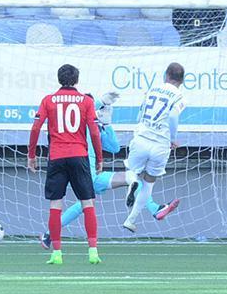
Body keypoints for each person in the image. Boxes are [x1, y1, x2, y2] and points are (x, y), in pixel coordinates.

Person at [39, 91, 150, 249]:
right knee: (86, 202)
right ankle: (51, 234)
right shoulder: (78, 123)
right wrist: (101, 101)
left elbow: (114, 147)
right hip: (82, 169)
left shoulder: (94, 127)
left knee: (131, 178)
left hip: (89, 172)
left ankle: (49, 235)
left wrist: (107, 125)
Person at [28, 64, 103, 265]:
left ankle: (57, 254)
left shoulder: (48, 100)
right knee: (87, 203)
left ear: (59, 78)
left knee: (55, 204)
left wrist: (31, 155)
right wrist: (99, 157)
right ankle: (93, 252)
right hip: (79, 156)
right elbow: (94, 132)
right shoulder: (86, 101)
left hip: (57, 157)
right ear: (77, 80)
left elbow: (35, 128)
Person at [123, 64, 185, 233]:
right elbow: (173, 115)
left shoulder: (152, 89)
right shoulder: (179, 96)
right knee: (149, 183)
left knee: (132, 172)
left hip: (142, 138)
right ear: (182, 80)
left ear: (166, 75)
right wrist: (173, 138)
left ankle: (133, 182)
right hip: (160, 145)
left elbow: (140, 113)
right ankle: (130, 220)